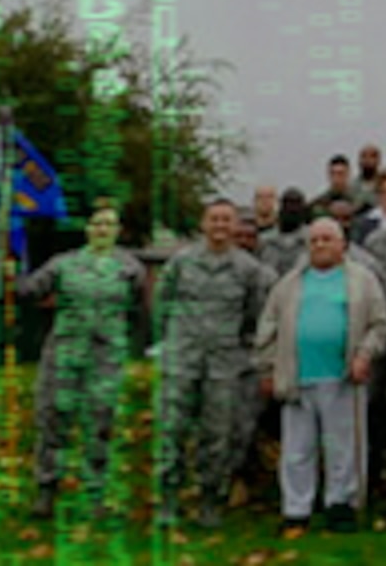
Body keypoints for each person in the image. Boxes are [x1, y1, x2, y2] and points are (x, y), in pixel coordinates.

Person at [255, 217, 386, 536]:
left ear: (342, 244)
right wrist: (267, 368)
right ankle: (296, 511)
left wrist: (364, 354)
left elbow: (380, 323)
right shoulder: (289, 284)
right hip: (297, 377)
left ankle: (340, 506)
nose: (320, 245)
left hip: (343, 377)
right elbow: (268, 328)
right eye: (314, 240)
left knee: (342, 446)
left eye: (327, 239)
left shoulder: (362, 280)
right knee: (297, 448)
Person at [19, 201, 148, 522]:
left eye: (108, 224)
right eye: (96, 224)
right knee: (52, 420)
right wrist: (13, 274)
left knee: (100, 424)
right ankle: (47, 489)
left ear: (118, 231)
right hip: (64, 355)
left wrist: (131, 345)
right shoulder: (63, 264)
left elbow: (139, 311)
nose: (102, 230)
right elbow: (32, 290)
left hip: (105, 357)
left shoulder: (131, 268)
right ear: (87, 229)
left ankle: (95, 495)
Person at [155, 196, 272, 529]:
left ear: (235, 226)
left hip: (223, 364)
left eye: (226, 220)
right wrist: (171, 342)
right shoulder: (181, 262)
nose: (220, 226)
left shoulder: (248, 270)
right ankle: (168, 500)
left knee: (217, 435)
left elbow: (254, 316)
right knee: (172, 431)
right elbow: (162, 305)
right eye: (214, 219)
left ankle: (210, 499)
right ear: (203, 224)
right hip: (182, 358)